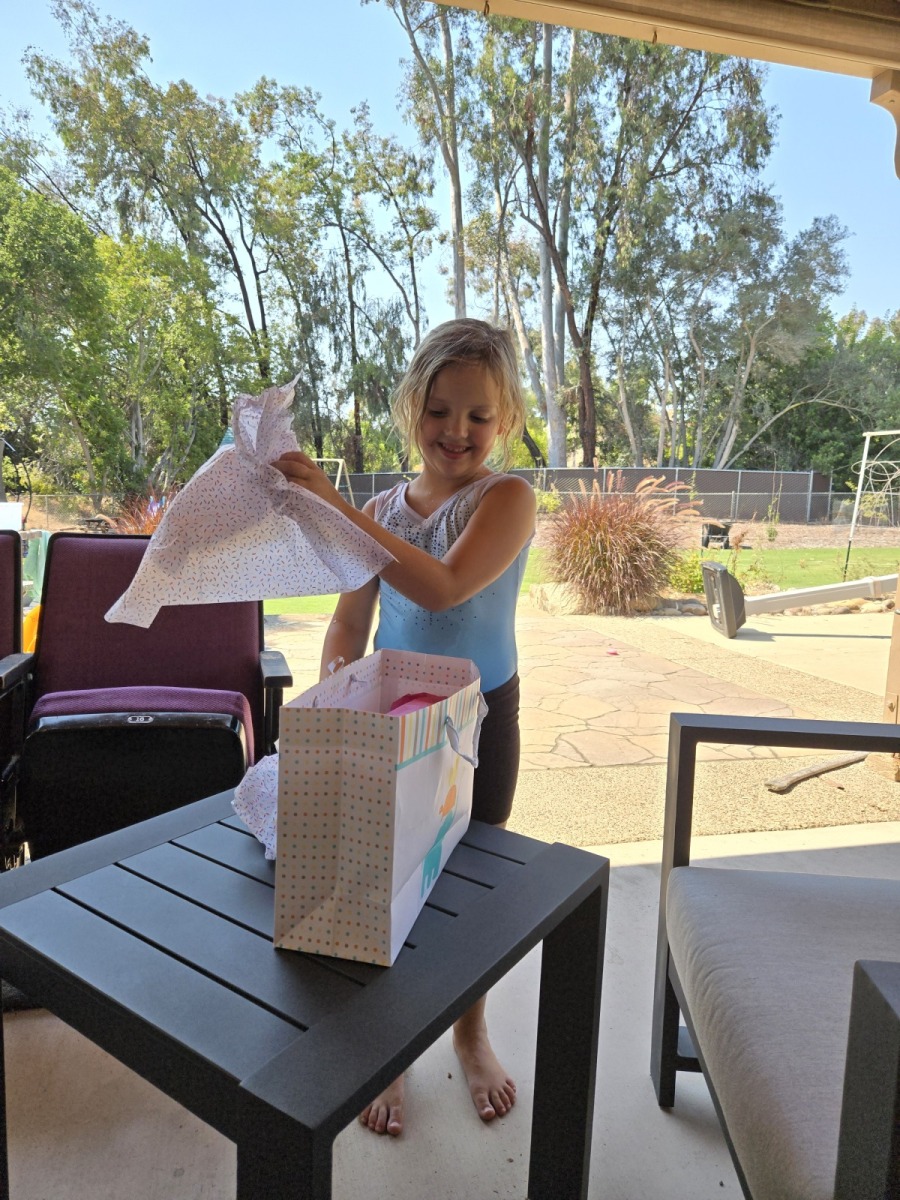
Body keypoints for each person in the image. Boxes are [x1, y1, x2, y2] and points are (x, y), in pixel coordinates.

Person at [273, 317, 536, 1139]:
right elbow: (351, 620)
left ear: (505, 419)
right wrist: (336, 694)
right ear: (411, 408)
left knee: (471, 885)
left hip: (479, 721)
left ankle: (470, 1033)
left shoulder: (507, 499)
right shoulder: (381, 508)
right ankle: (389, 1043)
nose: (457, 431)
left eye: (479, 415)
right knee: (380, 878)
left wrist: (333, 506)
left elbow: (444, 587)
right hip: (392, 725)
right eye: (439, 410)